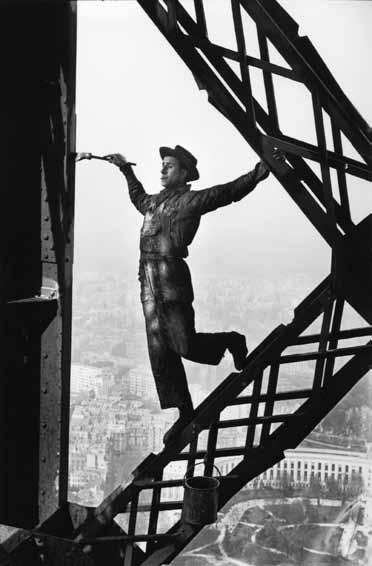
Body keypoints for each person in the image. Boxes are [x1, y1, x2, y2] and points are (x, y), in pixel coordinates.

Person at [105, 145, 271, 442]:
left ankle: (231, 340)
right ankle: (184, 411)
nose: (162, 169)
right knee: (160, 352)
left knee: (183, 344)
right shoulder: (154, 203)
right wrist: (125, 169)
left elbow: (226, 192)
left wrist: (257, 174)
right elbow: (138, 197)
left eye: (168, 165)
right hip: (149, 284)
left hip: (172, 283)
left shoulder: (190, 201)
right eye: (162, 165)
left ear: (183, 173)